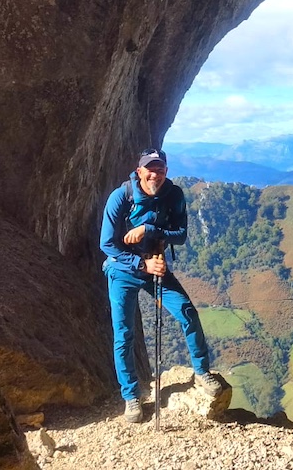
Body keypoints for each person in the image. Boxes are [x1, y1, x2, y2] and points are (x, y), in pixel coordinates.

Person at [100, 147, 222, 423]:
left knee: (187, 312)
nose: (156, 174)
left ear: (167, 171)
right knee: (124, 334)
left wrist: (150, 230)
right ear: (139, 170)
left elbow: (180, 235)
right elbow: (106, 244)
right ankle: (131, 397)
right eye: (150, 168)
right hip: (122, 271)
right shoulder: (121, 197)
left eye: (161, 169)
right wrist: (141, 265)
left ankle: (201, 372)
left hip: (156, 266)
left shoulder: (173, 195)